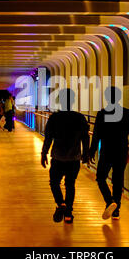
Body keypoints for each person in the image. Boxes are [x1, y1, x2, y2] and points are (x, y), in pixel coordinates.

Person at [89, 86, 129, 220]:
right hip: (121, 152)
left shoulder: (102, 114)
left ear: (107, 98)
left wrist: (91, 152)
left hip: (106, 151)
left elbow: (96, 135)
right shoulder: (127, 113)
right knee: (117, 180)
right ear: (119, 98)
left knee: (101, 178)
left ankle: (110, 202)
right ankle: (116, 211)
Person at [41, 88, 90, 224]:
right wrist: (86, 154)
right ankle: (68, 214)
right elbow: (85, 138)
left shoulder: (54, 118)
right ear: (73, 101)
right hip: (74, 158)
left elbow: (48, 138)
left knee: (54, 183)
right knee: (70, 185)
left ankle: (60, 203)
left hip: (57, 157)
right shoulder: (80, 118)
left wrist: (44, 153)